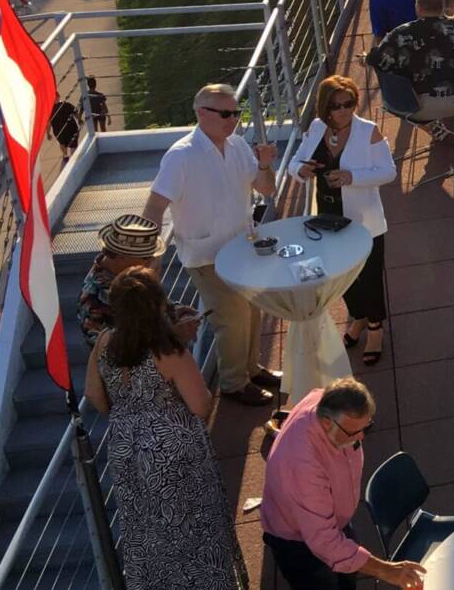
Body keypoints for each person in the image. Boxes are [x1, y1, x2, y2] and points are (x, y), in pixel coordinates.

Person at [82, 271, 245, 590]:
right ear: (156, 306)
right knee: (196, 532)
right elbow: (201, 404)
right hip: (172, 448)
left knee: (146, 534)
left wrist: (129, 414)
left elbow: (95, 394)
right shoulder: (167, 351)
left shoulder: (105, 342)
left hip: (125, 446)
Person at [261, 380, 424, 590]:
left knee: (346, 585)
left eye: (365, 428)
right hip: (298, 542)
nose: (360, 438)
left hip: (331, 521)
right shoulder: (303, 464)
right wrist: (386, 570)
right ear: (327, 423)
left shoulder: (328, 403)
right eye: (354, 432)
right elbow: (324, 543)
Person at [142, 84, 280, 405]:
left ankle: (250, 368)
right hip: (206, 255)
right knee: (231, 319)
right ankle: (233, 384)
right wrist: (148, 254)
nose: (233, 119)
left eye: (236, 112)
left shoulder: (239, 146)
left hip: (244, 247)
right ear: (202, 113)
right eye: (226, 113)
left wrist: (264, 164)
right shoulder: (181, 156)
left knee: (252, 310)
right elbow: (154, 207)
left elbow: (266, 188)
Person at [291, 75, 396, 363]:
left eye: (348, 103)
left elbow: (388, 172)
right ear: (324, 107)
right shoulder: (316, 128)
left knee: (370, 275)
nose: (342, 110)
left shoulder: (368, 131)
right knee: (342, 274)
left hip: (364, 219)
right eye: (335, 105)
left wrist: (352, 177)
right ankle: (359, 317)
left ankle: (376, 328)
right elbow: (294, 163)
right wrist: (302, 171)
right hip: (327, 216)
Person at [367, 0, 454, 154]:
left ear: (418, 9)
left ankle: (431, 126)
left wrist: (366, 59)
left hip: (422, 107)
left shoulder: (400, 33)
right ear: (443, 5)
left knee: (393, 88)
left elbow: (378, 61)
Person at [78, 214, 199, 345]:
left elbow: (152, 306)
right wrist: (172, 335)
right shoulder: (94, 299)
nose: (152, 261)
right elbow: (112, 354)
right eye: (147, 256)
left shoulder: (128, 275)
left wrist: (175, 311)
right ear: (122, 256)